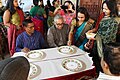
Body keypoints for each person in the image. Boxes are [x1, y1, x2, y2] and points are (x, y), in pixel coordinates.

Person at [85, 0, 119, 73]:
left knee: (102, 66)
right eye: (103, 8)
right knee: (95, 62)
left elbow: (108, 38)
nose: (104, 11)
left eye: (106, 9)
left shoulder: (115, 21)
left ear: (112, 9)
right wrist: (93, 35)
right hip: (97, 44)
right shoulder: (104, 17)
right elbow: (100, 30)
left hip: (105, 47)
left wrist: (94, 37)